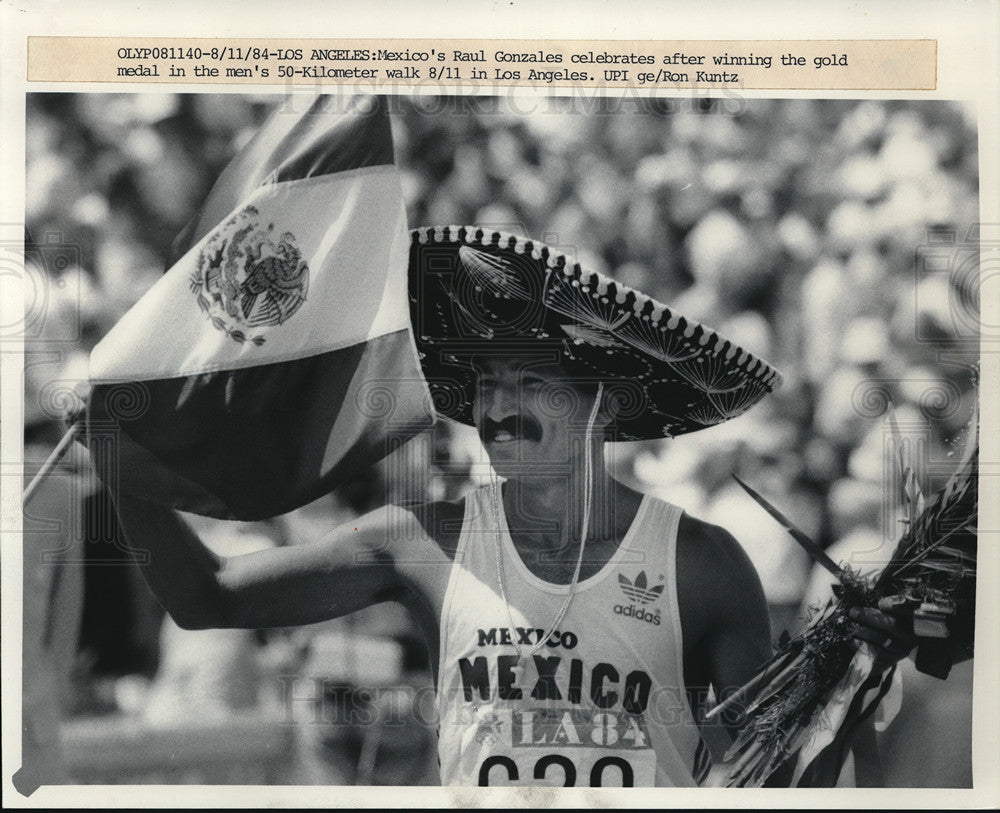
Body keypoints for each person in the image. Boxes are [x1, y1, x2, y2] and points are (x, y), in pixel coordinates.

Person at [108, 226, 919, 788]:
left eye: (530, 381)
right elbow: (205, 595)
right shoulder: (426, 541)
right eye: (486, 383)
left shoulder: (701, 564)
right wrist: (118, 454)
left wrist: (855, 679)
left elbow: (765, 772)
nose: (498, 407)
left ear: (602, 399)